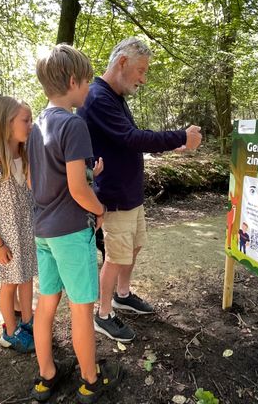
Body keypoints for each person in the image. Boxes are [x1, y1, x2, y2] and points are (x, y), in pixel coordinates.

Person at [77, 37, 202, 342]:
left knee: (134, 246)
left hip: (130, 193)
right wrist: (179, 135)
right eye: (141, 70)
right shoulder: (98, 97)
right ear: (122, 63)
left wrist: (173, 146)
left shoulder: (114, 96)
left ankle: (122, 294)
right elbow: (132, 138)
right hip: (113, 195)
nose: (143, 79)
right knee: (116, 255)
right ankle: (103, 314)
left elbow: (128, 141)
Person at [28, 44, 122, 404]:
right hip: (70, 231)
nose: (89, 90)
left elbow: (37, 182)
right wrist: (99, 210)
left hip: (43, 231)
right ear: (72, 80)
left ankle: (47, 376)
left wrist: (84, 173)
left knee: (47, 303)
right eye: (86, 82)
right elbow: (77, 188)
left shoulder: (37, 125)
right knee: (82, 309)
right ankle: (90, 380)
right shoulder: (74, 123)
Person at [0, 96, 37, 353]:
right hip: (7, 239)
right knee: (10, 284)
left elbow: (33, 191)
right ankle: (10, 331)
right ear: (6, 124)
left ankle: (28, 320)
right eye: (26, 120)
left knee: (26, 280)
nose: (31, 124)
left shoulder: (24, 157)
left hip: (26, 232)